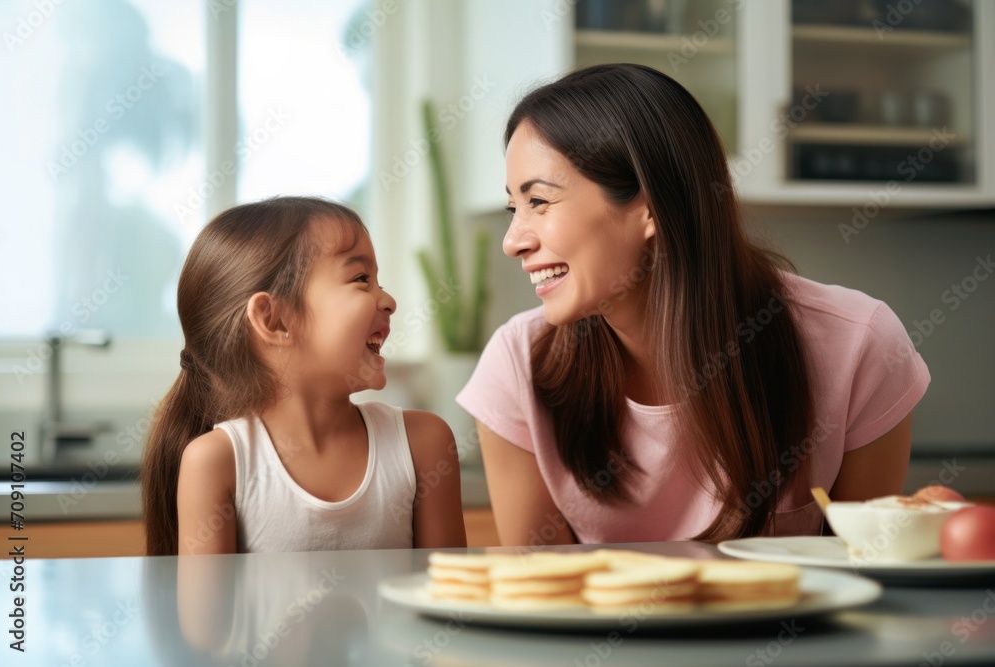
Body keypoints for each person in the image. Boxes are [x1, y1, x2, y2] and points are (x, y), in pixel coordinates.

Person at [456, 64, 931, 547]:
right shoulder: (517, 365)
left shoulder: (860, 346)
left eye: (538, 201)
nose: (512, 241)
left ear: (649, 207)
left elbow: (859, 579)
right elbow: (539, 598)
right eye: (514, 208)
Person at [142, 196, 466, 555]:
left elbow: (448, 602)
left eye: (378, 280)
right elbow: (207, 613)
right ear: (275, 321)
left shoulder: (423, 444)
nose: (388, 300)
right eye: (361, 279)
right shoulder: (217, 463)